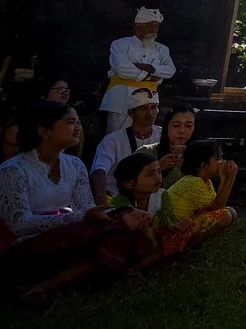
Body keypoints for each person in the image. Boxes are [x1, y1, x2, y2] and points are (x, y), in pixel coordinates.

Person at [0, 102, 152, 299]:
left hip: (67, 236)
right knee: (93, 235)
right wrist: (80, 217)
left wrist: (123, 213)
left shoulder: (75, 165)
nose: (78, 128)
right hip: (24, 246)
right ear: (45, 132)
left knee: (119, 230)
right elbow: (18, 225)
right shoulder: (13, 170)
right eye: (71, 122)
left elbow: (86, 208)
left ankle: (46, 287)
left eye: (78, 122)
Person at [101, 8, 176, 133]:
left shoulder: (162, 49)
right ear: (137, 26)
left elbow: (170, 70)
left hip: (149, 99)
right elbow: (122, 69)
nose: (154, 30)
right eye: (149, 26)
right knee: (117, 135)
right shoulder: (120, 44)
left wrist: (149, 67)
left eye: (156, 26)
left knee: (145, 135)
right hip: (122, 99)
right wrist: (150, 76)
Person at [91, 88, 162, 204]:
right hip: (117, 200)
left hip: (154, 201)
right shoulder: (113, 140)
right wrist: (102, 206)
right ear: (131, 113)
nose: (150, 113)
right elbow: (98, 172)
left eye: (153, 107)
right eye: (144, 108)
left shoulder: (163, 135)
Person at [164, 139, 238, 248]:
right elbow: (218, 206)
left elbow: (215, 205)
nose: (223, 162)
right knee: (225, 216)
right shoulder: (193, 182)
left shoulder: (204, 181)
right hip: (172, 230)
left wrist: (223, 179)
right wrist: (230, 179)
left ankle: (193, 241)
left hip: (184, 223)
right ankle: (190, 244)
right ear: (204, 166)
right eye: (219, 158)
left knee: (231, 211)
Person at [108, 151, 176, 262]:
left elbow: (166, 219)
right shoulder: (119, 202)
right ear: (129, 183)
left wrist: (170, 225)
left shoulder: (162, 195)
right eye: (150, 174)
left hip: (154, 237)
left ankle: (142, 264)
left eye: (159, 172)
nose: (158, 177)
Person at [145, 104, 196, 189]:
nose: (182, 131)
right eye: (176, 125)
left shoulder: (201, 155)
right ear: (166, 126)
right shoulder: (147, 152)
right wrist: (158, 167)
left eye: (188, 126)